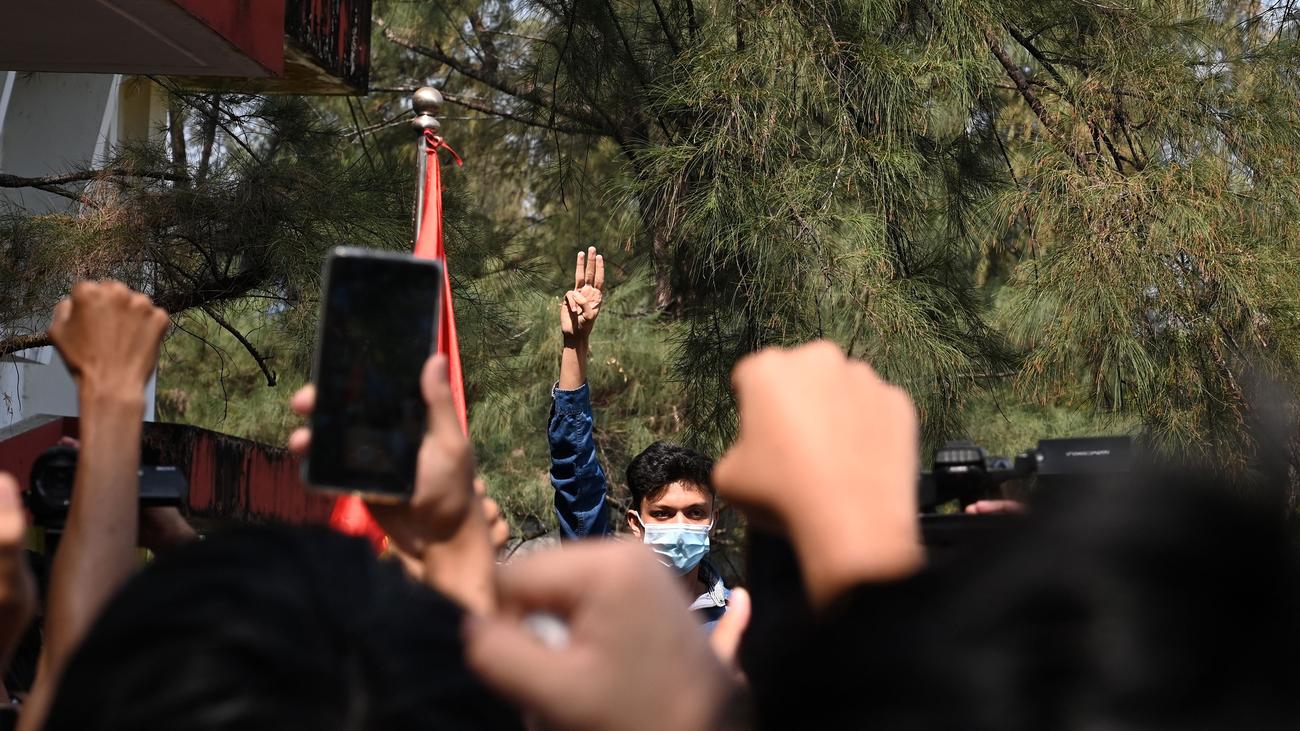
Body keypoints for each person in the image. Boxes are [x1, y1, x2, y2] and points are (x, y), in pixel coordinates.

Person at [549, 247, 733, 627]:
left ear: (713, 520)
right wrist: (575, 346)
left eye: (695, 513)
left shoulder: (739, 622)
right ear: (636, 522)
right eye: (663, 514)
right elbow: (577, 481)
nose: (680, 527)